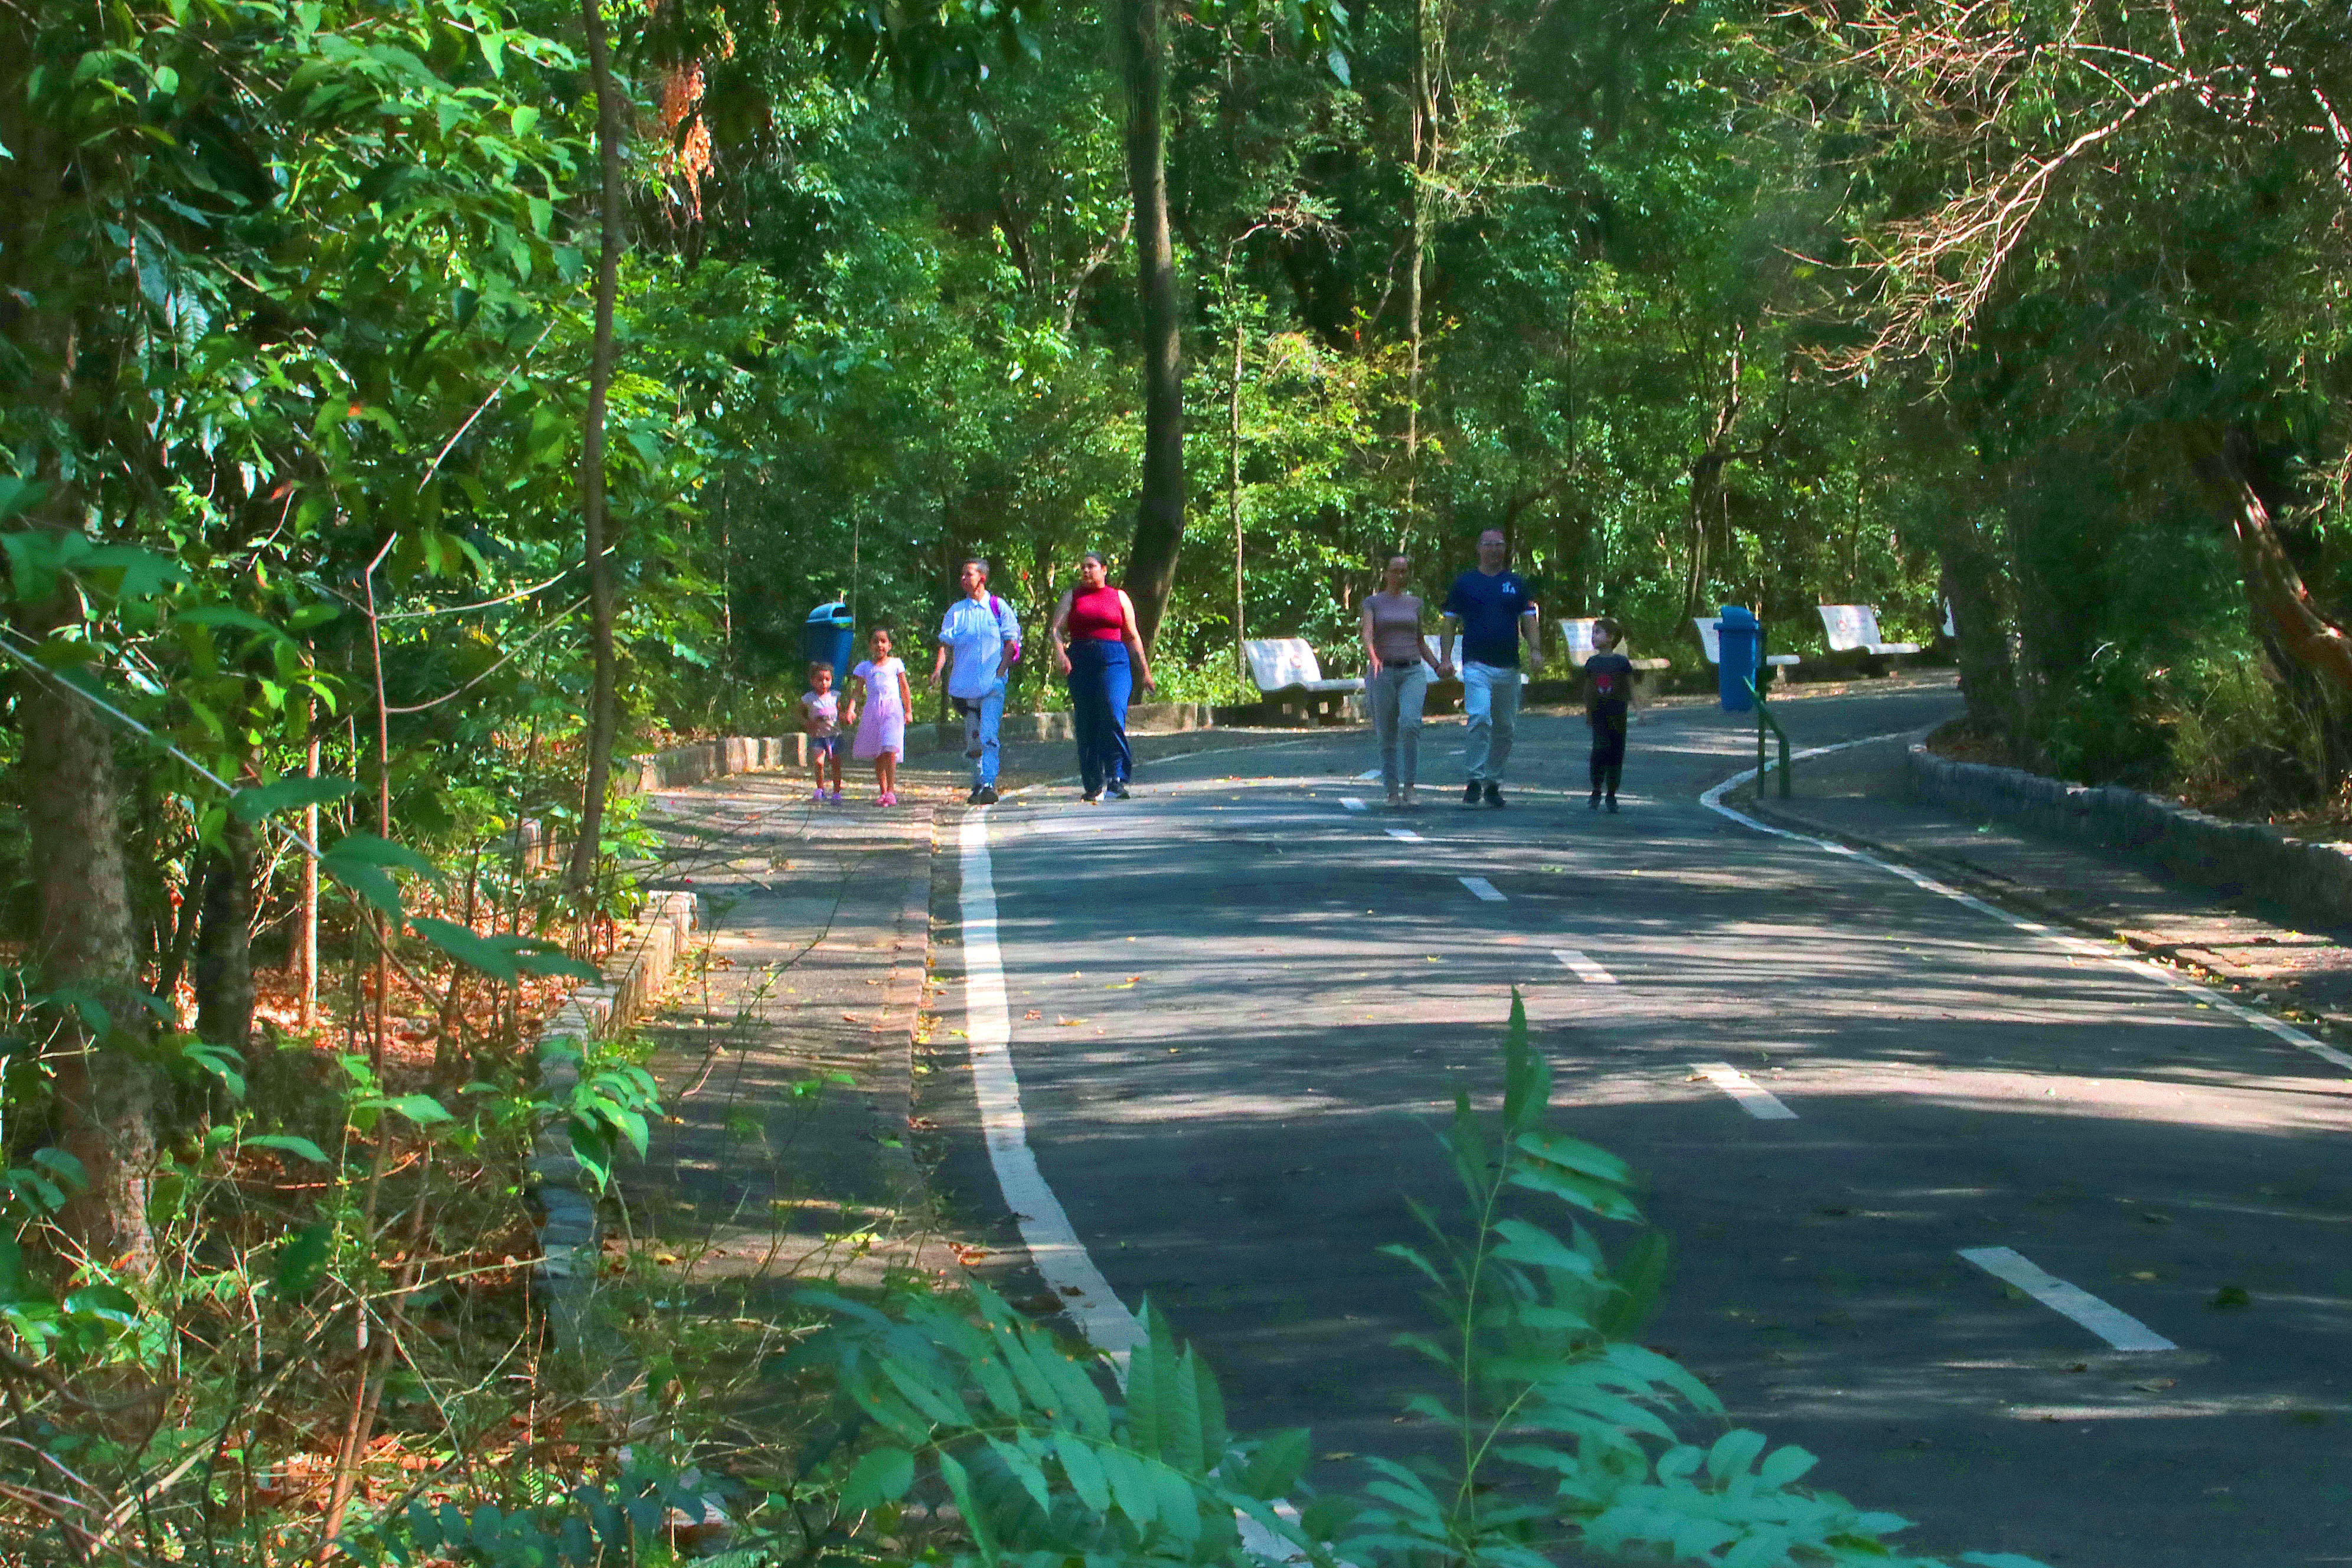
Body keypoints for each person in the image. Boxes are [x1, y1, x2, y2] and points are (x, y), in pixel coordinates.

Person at [1436, 527, 1542, 806]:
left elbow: (1529, 619)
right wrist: (1446, 658)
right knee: (1480, 718)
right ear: (1479, 548)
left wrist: (1536, 650)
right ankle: (1474, 778)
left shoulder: (1516, 584)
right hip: (1476, 664)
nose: (1495, 550)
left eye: (1500, 545)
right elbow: (1449, 622)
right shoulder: (1465, 583)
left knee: (1505, 727)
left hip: (1509, 666)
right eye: (1489, 545)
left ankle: (1493, 781)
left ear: (1505, 549)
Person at [1049, 551, 1155, 803]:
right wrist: (1061, 656)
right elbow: (1056, 630)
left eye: (1091, 567)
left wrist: (1145, 672)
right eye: (1083, 567)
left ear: (1104, 570)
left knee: (1112, 710)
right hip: (1081, 660)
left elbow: (1132, 635)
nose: (1086, 572)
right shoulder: (1072, 597)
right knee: (1086, 720)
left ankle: (1118, 776)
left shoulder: (1118, 597)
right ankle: (1093, 782)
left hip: (1114, 660)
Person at [934, 557, 1022, 807]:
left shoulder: (999, 607)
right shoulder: (956, 612)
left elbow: (1011, 641)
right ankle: (977, 782)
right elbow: (946, 645)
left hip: (992, 685)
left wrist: (1001, 670)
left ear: (982, 578)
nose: (963, 579)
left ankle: (989, 784)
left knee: (989, 734)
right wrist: (938, 670)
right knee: (973, 739)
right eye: (962, 575)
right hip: (964, 688)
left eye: (968, 574)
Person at [1360, 553, 1431, 809]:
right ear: (1386, 573)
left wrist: (1438, 665)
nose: (1401, 575)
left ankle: (1410, 787)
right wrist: (1374, 656)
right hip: (1384, 672)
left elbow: (1420, 641)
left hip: (1412, 670)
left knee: (1410, 725)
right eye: (1396, 571)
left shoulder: (1415, 603)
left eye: (1405, 571)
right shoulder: (1373, 602)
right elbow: (1367, 634)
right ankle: (1392, 791)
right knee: (1387, 732)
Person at [847, 626, 913, 806]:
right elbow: (858, 691)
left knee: (890, 750)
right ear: (870, 646)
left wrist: (909, 710)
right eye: (875, 642)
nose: (879, 645)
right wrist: (851, 708)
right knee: (879, 752)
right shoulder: (864, 667)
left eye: (883, 641)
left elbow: (904, 688)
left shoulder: (896, 664)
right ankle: (883, 792)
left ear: (890, 645)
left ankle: (891, 791)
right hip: (873, 711)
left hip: (893, 711)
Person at [1583, 616, 1636, 812]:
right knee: (1599, 750)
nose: (1593, 637)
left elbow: (1631, 687)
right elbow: (1588, 690)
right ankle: (1596, 789)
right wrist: (1588, 711)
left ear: (1611, 638)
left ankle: (1612, 794)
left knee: (1616, 753)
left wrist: (1639, 710)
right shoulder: (1592, 663)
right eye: (1593, 633)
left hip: (1618, 714)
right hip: (1599, 715)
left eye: (1598, 633)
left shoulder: (1622, 663)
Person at [798, 661, 844, 803]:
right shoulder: (808, 699)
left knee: (835, 764)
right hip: (818, 736)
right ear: (813, 681)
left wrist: (846, 716)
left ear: (831, 681)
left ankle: (837, 791)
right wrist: (807, 723)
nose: (823, 683)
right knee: (819, 763)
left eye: (827, 679)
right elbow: (798, 714)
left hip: (835, 736)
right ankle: (820, 788)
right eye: (820, 680)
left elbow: (841, 713)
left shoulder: (836, 696)